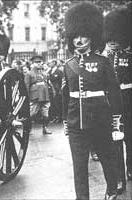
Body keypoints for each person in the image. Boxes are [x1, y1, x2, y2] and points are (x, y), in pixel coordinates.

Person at [62, 2, 123, 200]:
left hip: (100, 120)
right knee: (79, 167)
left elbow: (114, 92)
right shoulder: (68, 65)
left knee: (107, 158)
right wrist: (66, 121)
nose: (79, 40)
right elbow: (66, 96)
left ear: (92, 36)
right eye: (75, 36)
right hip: (75, 124)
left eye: (84, 36)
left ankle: (112, 189)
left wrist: (116, 121)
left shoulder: (103, 62)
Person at [104, 6, 132, 194]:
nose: (113, 42)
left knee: (130, 138)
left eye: (116, 39)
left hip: (129, 99)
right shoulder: (105, 56)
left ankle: (130, 168)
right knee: (115, 140)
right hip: (112, 102)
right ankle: (119, 178)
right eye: (110, 39)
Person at [25, 55, 52, 134]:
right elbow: (26, 86)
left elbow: (47, 83)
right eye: (37, 62)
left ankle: (45, 128)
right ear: (32, 64)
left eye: (40, 62)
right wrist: (27, 97)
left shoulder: (44, 73)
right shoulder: (29, 74)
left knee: (45, 113)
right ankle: (28, 129)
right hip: (35, 96)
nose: (39, 64)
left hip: (45, 95)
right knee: (32, 113)